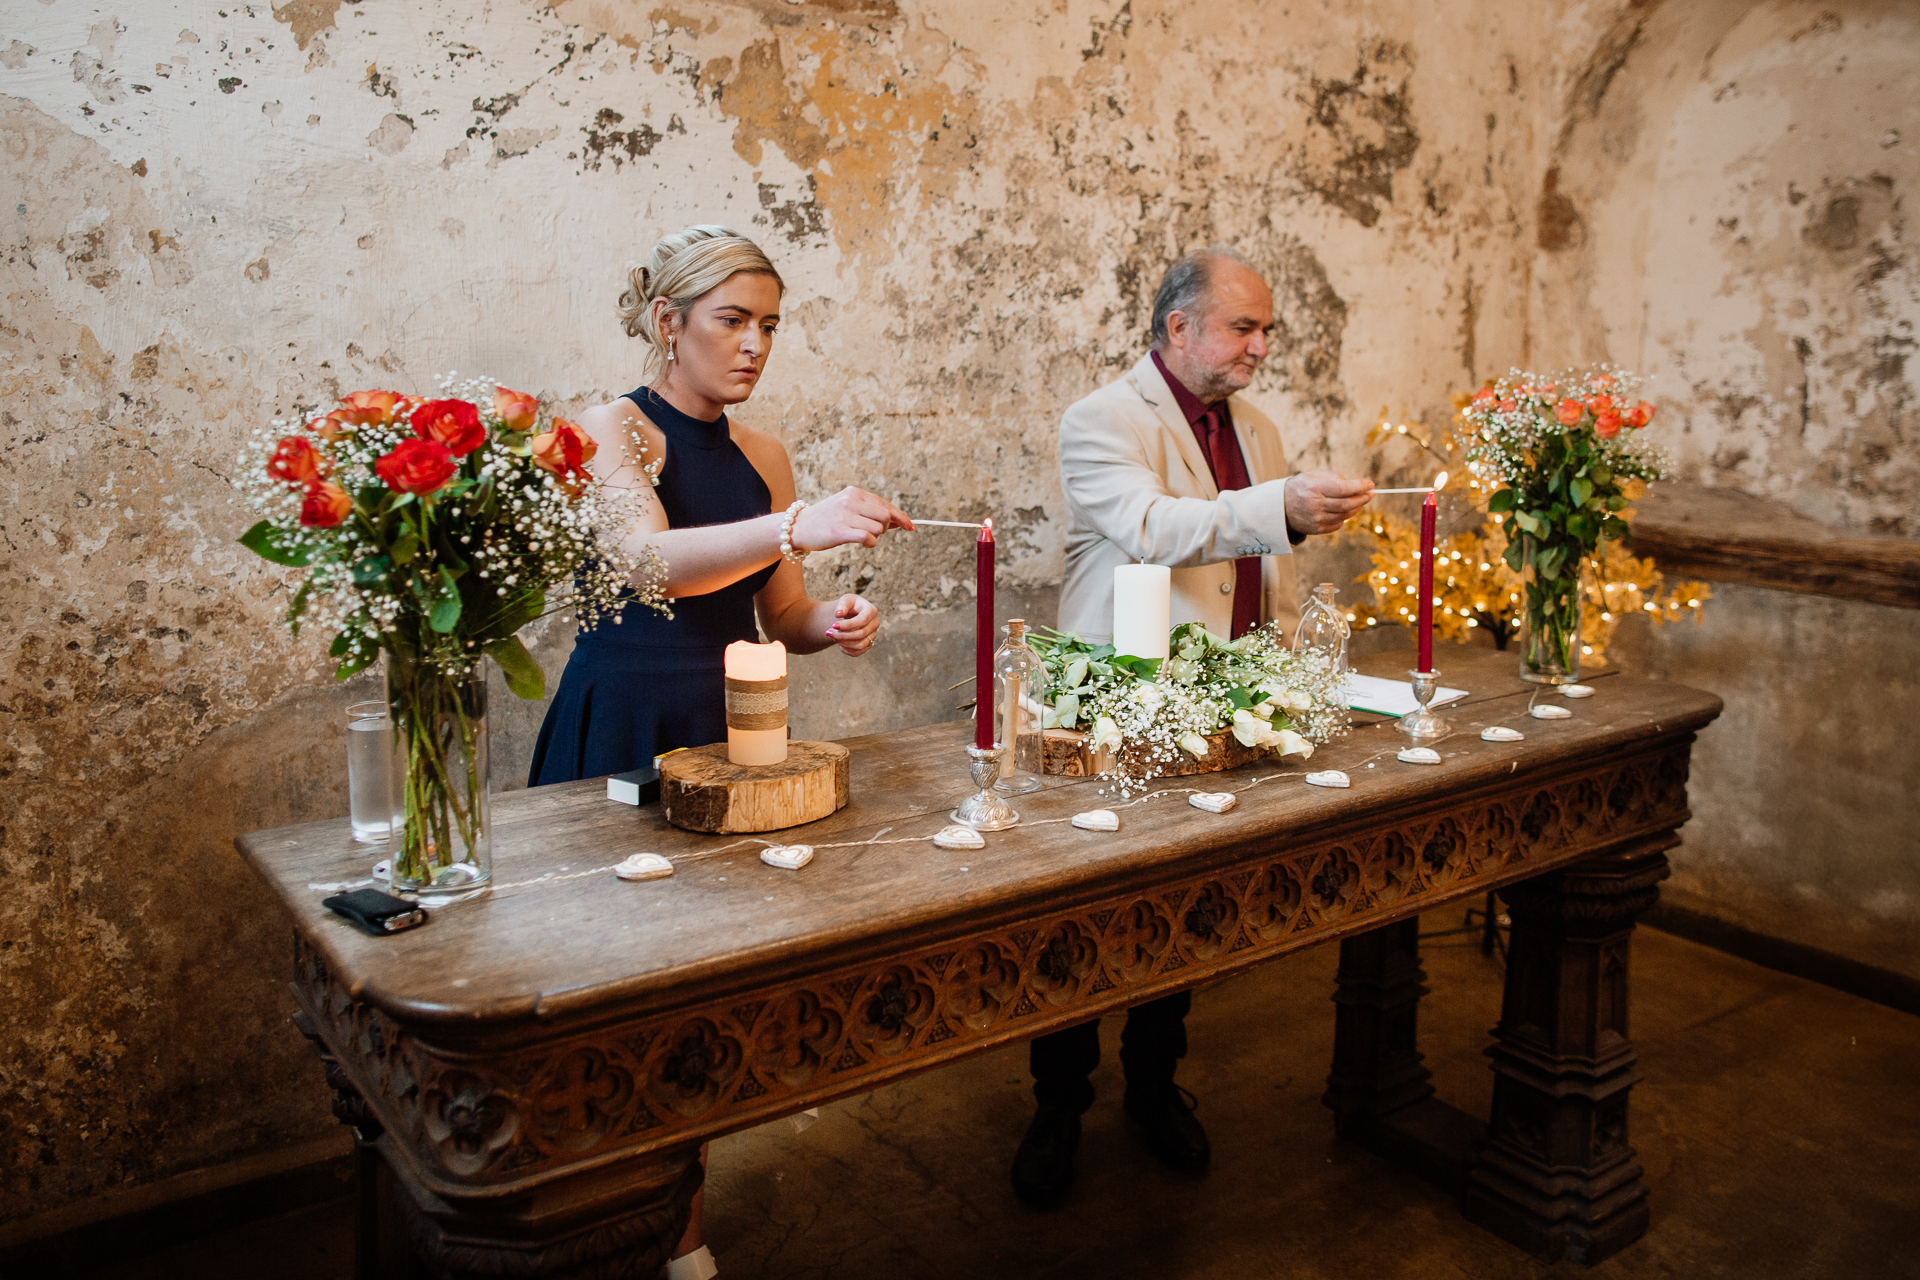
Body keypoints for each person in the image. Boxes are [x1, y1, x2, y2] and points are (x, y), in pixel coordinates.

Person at [528, 225, 913, 1278]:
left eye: (770, 326)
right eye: (732, 320)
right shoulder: (609, 429)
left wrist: (824, 622)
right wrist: (797, 523)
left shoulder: (763, 455)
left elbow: (773, 611)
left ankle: (675, 1222)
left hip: (732, 738)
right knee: (600, 989)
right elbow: (647, 562)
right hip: (620, 726)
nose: (755, 346)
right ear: (668, 322)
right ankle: (592, 1221)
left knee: (697, 994)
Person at [1013, 244, 1374, 1210]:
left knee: (1184, 911)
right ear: (1178, 328)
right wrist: (1282, 507)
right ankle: (1057, 1108)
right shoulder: (1101, 419)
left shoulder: (1254, 425)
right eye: (1242, 327)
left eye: (1266, 330)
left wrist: (1286, 667)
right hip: (1121, 697)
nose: (1260, 346)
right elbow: (1152, 527)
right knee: (1088, 915)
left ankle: (1153, 1084)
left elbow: (1269, 569)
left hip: (1230, 700)